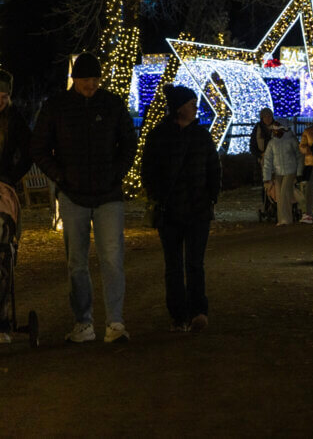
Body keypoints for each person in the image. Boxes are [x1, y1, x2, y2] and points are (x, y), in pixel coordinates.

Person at [30, 52, 137, 344]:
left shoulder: (111, 104)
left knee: (112, 259)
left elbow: (129, 142)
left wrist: (115, 174)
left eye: (95, 80)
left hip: (107, 195)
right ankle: (83, 322)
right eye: (86, 79)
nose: (91, 84)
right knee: (77, 262)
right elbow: (38, 147)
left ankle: (114, 321)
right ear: (75, 79)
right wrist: (61, 177)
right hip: (74, 195)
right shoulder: (57, 107)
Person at [142, 85, 220, 333]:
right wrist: (158, 197)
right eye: (191, 102)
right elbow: (149, 172)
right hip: (170, 211)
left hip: (197, 210)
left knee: (195, 263)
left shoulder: (201, 135)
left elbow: (213, 168)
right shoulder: (159, 136)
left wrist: (211, 197)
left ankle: (198, 311)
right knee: (174, 265)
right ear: (179, 107)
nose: (195, 107)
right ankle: (178, 313)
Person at [0, 69, 32, 343]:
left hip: (2, 188)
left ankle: (2, 319)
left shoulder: (15, 121)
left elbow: (29, 151)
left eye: (4, 96)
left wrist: (12, 175)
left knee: (3, 255)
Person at [262, 119, 303, 226]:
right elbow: (267, 160)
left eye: (278, 130)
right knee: (280, 196)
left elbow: (299, 156)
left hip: (291, 171)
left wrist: (299, 173)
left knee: (284, 193)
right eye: (274, 130)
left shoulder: (292, 140)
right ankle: (282, 219)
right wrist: (266, 177)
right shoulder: (272, 143)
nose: (276, 132)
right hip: (278, 172)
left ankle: (286, 219)